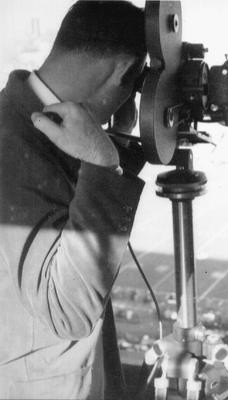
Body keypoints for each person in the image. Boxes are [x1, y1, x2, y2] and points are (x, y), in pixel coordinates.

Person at [0, 1, 148, 398]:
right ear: (121, 72)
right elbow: (66, 311)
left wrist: (112, 146)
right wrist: (103, 162)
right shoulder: (13, 144)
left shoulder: (24, 122)